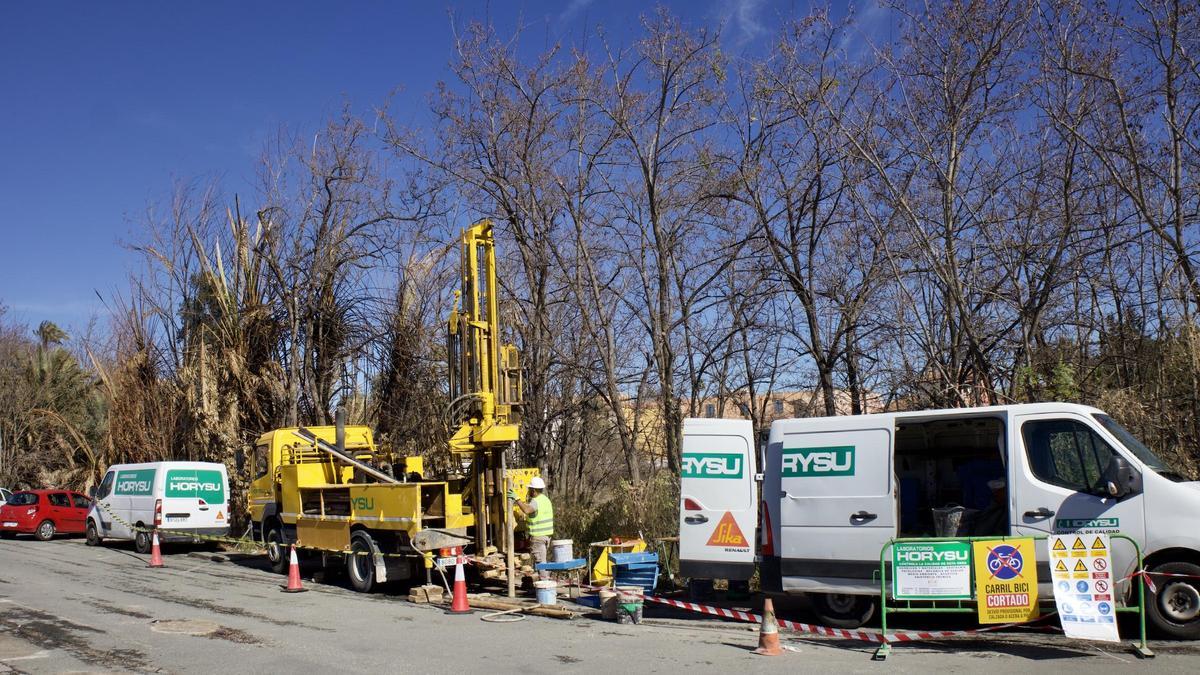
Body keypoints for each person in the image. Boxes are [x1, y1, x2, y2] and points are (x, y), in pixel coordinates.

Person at [510, 476, 554, 580]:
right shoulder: (546, 500)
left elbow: (527, 510)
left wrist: (517, 499)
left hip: (538, 537)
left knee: (540, 562)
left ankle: (544, 586)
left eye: (529, 489)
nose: (528, 491)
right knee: (542, 561)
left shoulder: (536, 501)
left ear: (533, 490)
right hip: (546, 536)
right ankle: (544, 582)